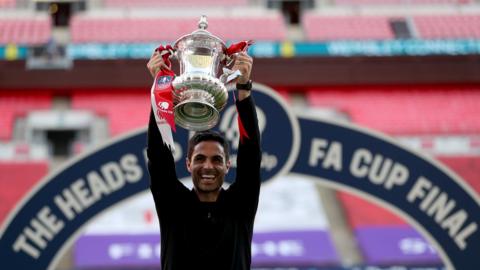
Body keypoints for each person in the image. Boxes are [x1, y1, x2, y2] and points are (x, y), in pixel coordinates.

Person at [146, 50, 262, 270]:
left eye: (217, 159)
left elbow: (251, 153)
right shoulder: (173, 204)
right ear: (188, 163)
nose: (208, 166)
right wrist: (160, 87)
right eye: (200, 158)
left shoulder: (240, 205)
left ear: (228, 165)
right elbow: (158, 156)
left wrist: (244, 88)